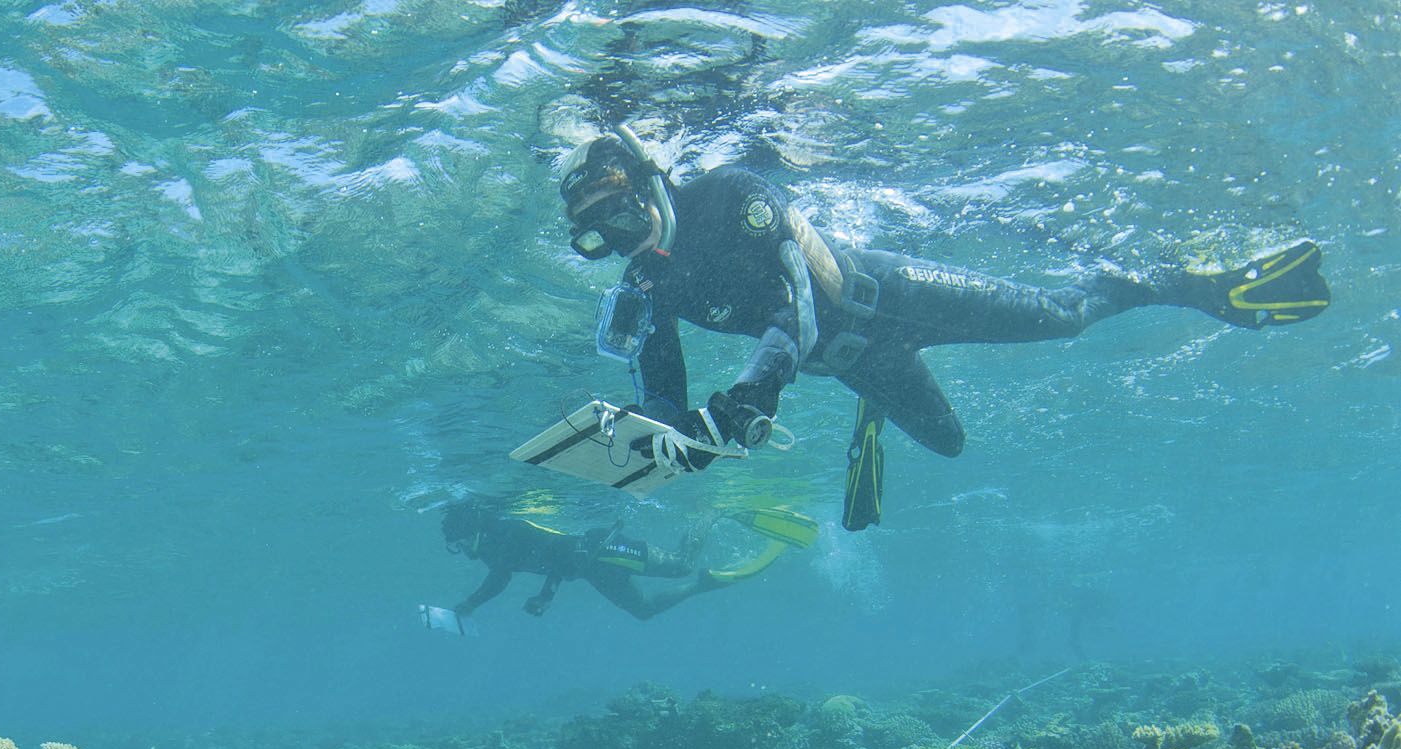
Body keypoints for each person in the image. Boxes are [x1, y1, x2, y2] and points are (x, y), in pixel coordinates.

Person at [557, 125, 1331, 525]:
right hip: (852, 363)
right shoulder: (647, 280)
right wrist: (653, 437)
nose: (624, 239)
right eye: (601, 235)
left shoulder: (731, 193)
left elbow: (793, 303)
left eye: (622, 212)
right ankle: (875, 412)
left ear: (652, 179)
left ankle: (1191, 284)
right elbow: (659, 387)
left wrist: (753, 391)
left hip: (889, 294)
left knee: (1063, 318)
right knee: (949, 443)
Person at [441, 501, 753, 621]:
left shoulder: (508, 531)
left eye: (462, 542)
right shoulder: (491, 549)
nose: (465, 550)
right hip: (590, 569)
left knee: (680, 564)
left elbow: (556, 552)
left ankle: (711, 510)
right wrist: (546, 594)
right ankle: (702, 585)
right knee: (643, 610)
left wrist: (545, 594)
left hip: (602, 549)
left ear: (474, 530)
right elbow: (540, 567)